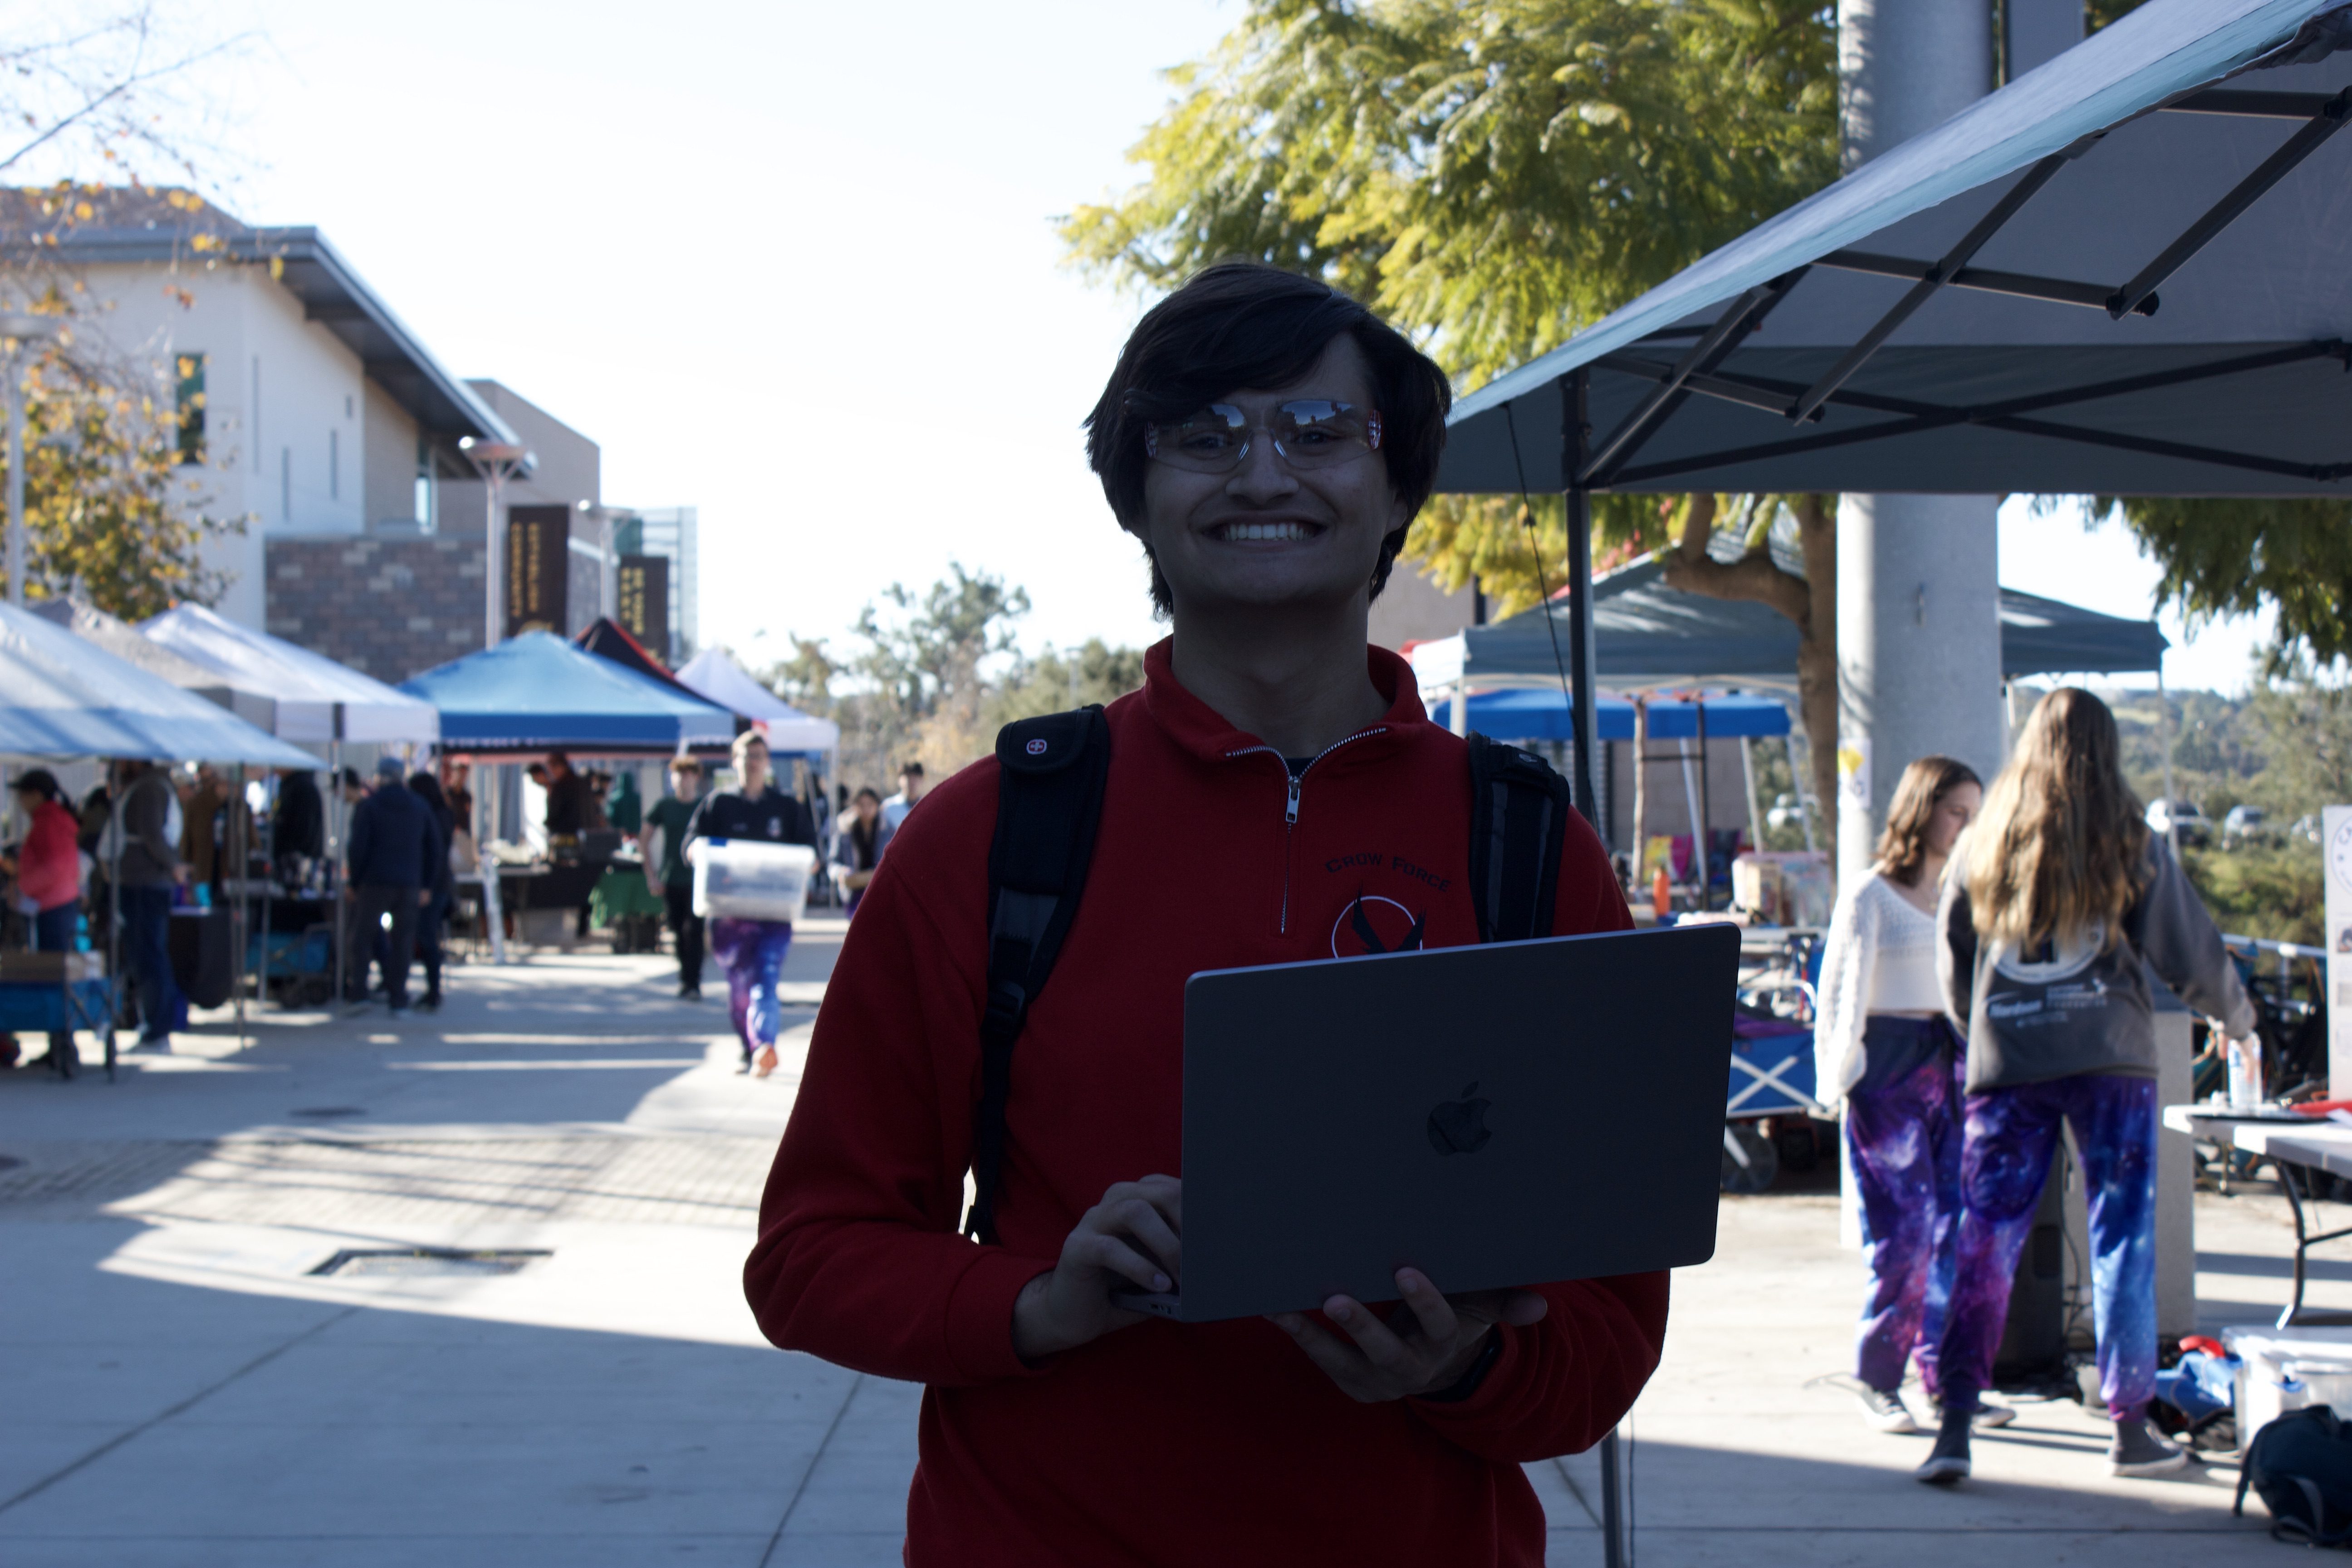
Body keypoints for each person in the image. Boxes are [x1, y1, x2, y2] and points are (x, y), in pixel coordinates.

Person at [744, 261, 1661, 1564]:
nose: (1264, 474)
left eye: (1319, 431)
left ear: (1398, 486)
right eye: (1204, 436)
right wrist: (1041, 1301)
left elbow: (1608, 1343)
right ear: (1137, 495)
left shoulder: (1525, 849)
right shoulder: (990, 838)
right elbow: (811, 1258)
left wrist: (1458, 1367)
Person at [1919, 688, 2258, 1486]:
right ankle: (2128, 1429)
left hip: (2008, 1065)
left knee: (1984, 1242)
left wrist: (1981, 1033)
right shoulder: (2124, 836)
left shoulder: (1982, 842)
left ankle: (1956, 1426)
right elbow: (2188, 949)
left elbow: (1950, 954)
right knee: (2121, 1243)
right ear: (2105, 748)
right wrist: (2235, 1019)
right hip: (2110, 1062)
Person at [1814, 755, 1987, 1435]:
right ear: (1923, 810)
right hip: (1888, 1069)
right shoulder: (1872, 893)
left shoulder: (1964, 893)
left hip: (1952, 1061)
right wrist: (1844, 1074)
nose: (1967, 827)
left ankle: (1947, 1382)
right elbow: (1839, 990)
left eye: (1976, 814)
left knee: (1956, 1226)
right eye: (1956, 811)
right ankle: (1879, 1377)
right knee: (1904, 1232)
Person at [685, 731, 817, 1074]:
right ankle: (751, 1046)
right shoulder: (718, 804)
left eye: (758, 755)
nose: (752, 762)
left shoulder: (787, 807)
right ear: (735, 761)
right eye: (746, 755)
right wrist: (698, 854)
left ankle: (764, 1043)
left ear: (768, 761)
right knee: (740, 987)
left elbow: (812, 853)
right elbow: (691, 846)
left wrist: (806, 865)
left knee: (766, 977)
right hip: (729, 917)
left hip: (774, 914)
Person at [344, 756, 440, 1016]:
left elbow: (357, 848)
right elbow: (435, 848)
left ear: (380, 778)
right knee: (403, 941)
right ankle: (398, 998)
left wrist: (354, 881)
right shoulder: (419, 806)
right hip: (409, 883)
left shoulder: (370, 806)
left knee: (363, 938)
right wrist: (426, 884)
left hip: (374, 883)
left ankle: (359, 994)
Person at [6, 769, 84, 1073]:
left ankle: (63, 1046)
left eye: (23, 794)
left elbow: (53, 866)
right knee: (55, 977)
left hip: (52, 905)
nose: (21, 801)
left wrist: (23, 887)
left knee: (54, 978)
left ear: (36, 795)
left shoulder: (48, 821)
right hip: (56, 903)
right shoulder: (54, 819)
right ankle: (60, 1045)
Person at [107, 760, 186, 1049]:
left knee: (149, 954)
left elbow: (153, 835)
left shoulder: (151, 788)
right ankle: (155, 1024)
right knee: (147, 954)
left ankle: (159, 1027)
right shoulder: (152, 786)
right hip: (145, 880)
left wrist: (172, 864)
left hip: (146, 882)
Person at [642, 756, 708, 999]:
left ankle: (694, 983)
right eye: (677, 774)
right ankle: (684, 978)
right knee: (678, 931)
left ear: (695, 778)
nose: (682, 779)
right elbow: (644, 839)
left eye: (687, 774)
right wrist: (651, 874)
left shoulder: (704, 805)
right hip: (672, 878)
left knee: (695, 931)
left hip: (698, 880)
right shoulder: (665, 806)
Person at [407, 771, 458, 1012]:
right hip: (435, 884)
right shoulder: (439, 813)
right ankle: (432, 991)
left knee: (427, 938)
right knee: (426, 937)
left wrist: (427, 886)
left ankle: (434, 991)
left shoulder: (437, 816)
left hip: (434, 886)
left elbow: (435, 854)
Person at [827, 787, 892, 916]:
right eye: (861, 805)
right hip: (853, 893)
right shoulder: (845, 831)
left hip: (879, 892)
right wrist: (840, 872)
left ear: (877, 806)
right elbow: (832, 863)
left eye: (870, 805)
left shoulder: (888, 831)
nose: (866, 809)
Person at [274, 768, 325, 890]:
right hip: (297, 853)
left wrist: (293, 847)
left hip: (299, 855)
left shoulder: (301, 787)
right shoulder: (292, 785)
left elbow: (304, 824)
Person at [543, 751, 591, 839]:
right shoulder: (582, 783)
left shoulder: (560, 786)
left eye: (552, 769)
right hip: (586, 834)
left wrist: (549, 824)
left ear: (560, 767)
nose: (552, 773)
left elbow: (555, 812)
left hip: (565, 836)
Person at [878, 760, 925, 831]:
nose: (912, 782)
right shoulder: (888, 807)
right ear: (899, 780)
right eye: (908, 777)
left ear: (922, 780)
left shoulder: (928, 805)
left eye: (915, 777)